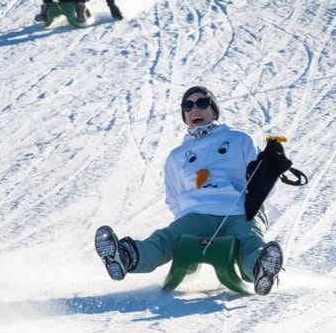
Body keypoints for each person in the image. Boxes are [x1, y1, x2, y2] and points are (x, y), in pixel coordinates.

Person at [94, 85, 285, 295]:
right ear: (184, 116)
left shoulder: (239, 139)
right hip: (197, 215)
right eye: (188, 105)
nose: (195, 109)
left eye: (202, 103)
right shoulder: (177, 156)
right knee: (167, 238)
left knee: (250, 240)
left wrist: (271, 168)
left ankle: (261, 268)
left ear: (213, 110)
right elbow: (174, 198)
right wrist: (186, 221)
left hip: (240, 211)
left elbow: (263, 184)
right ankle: (125, 256)